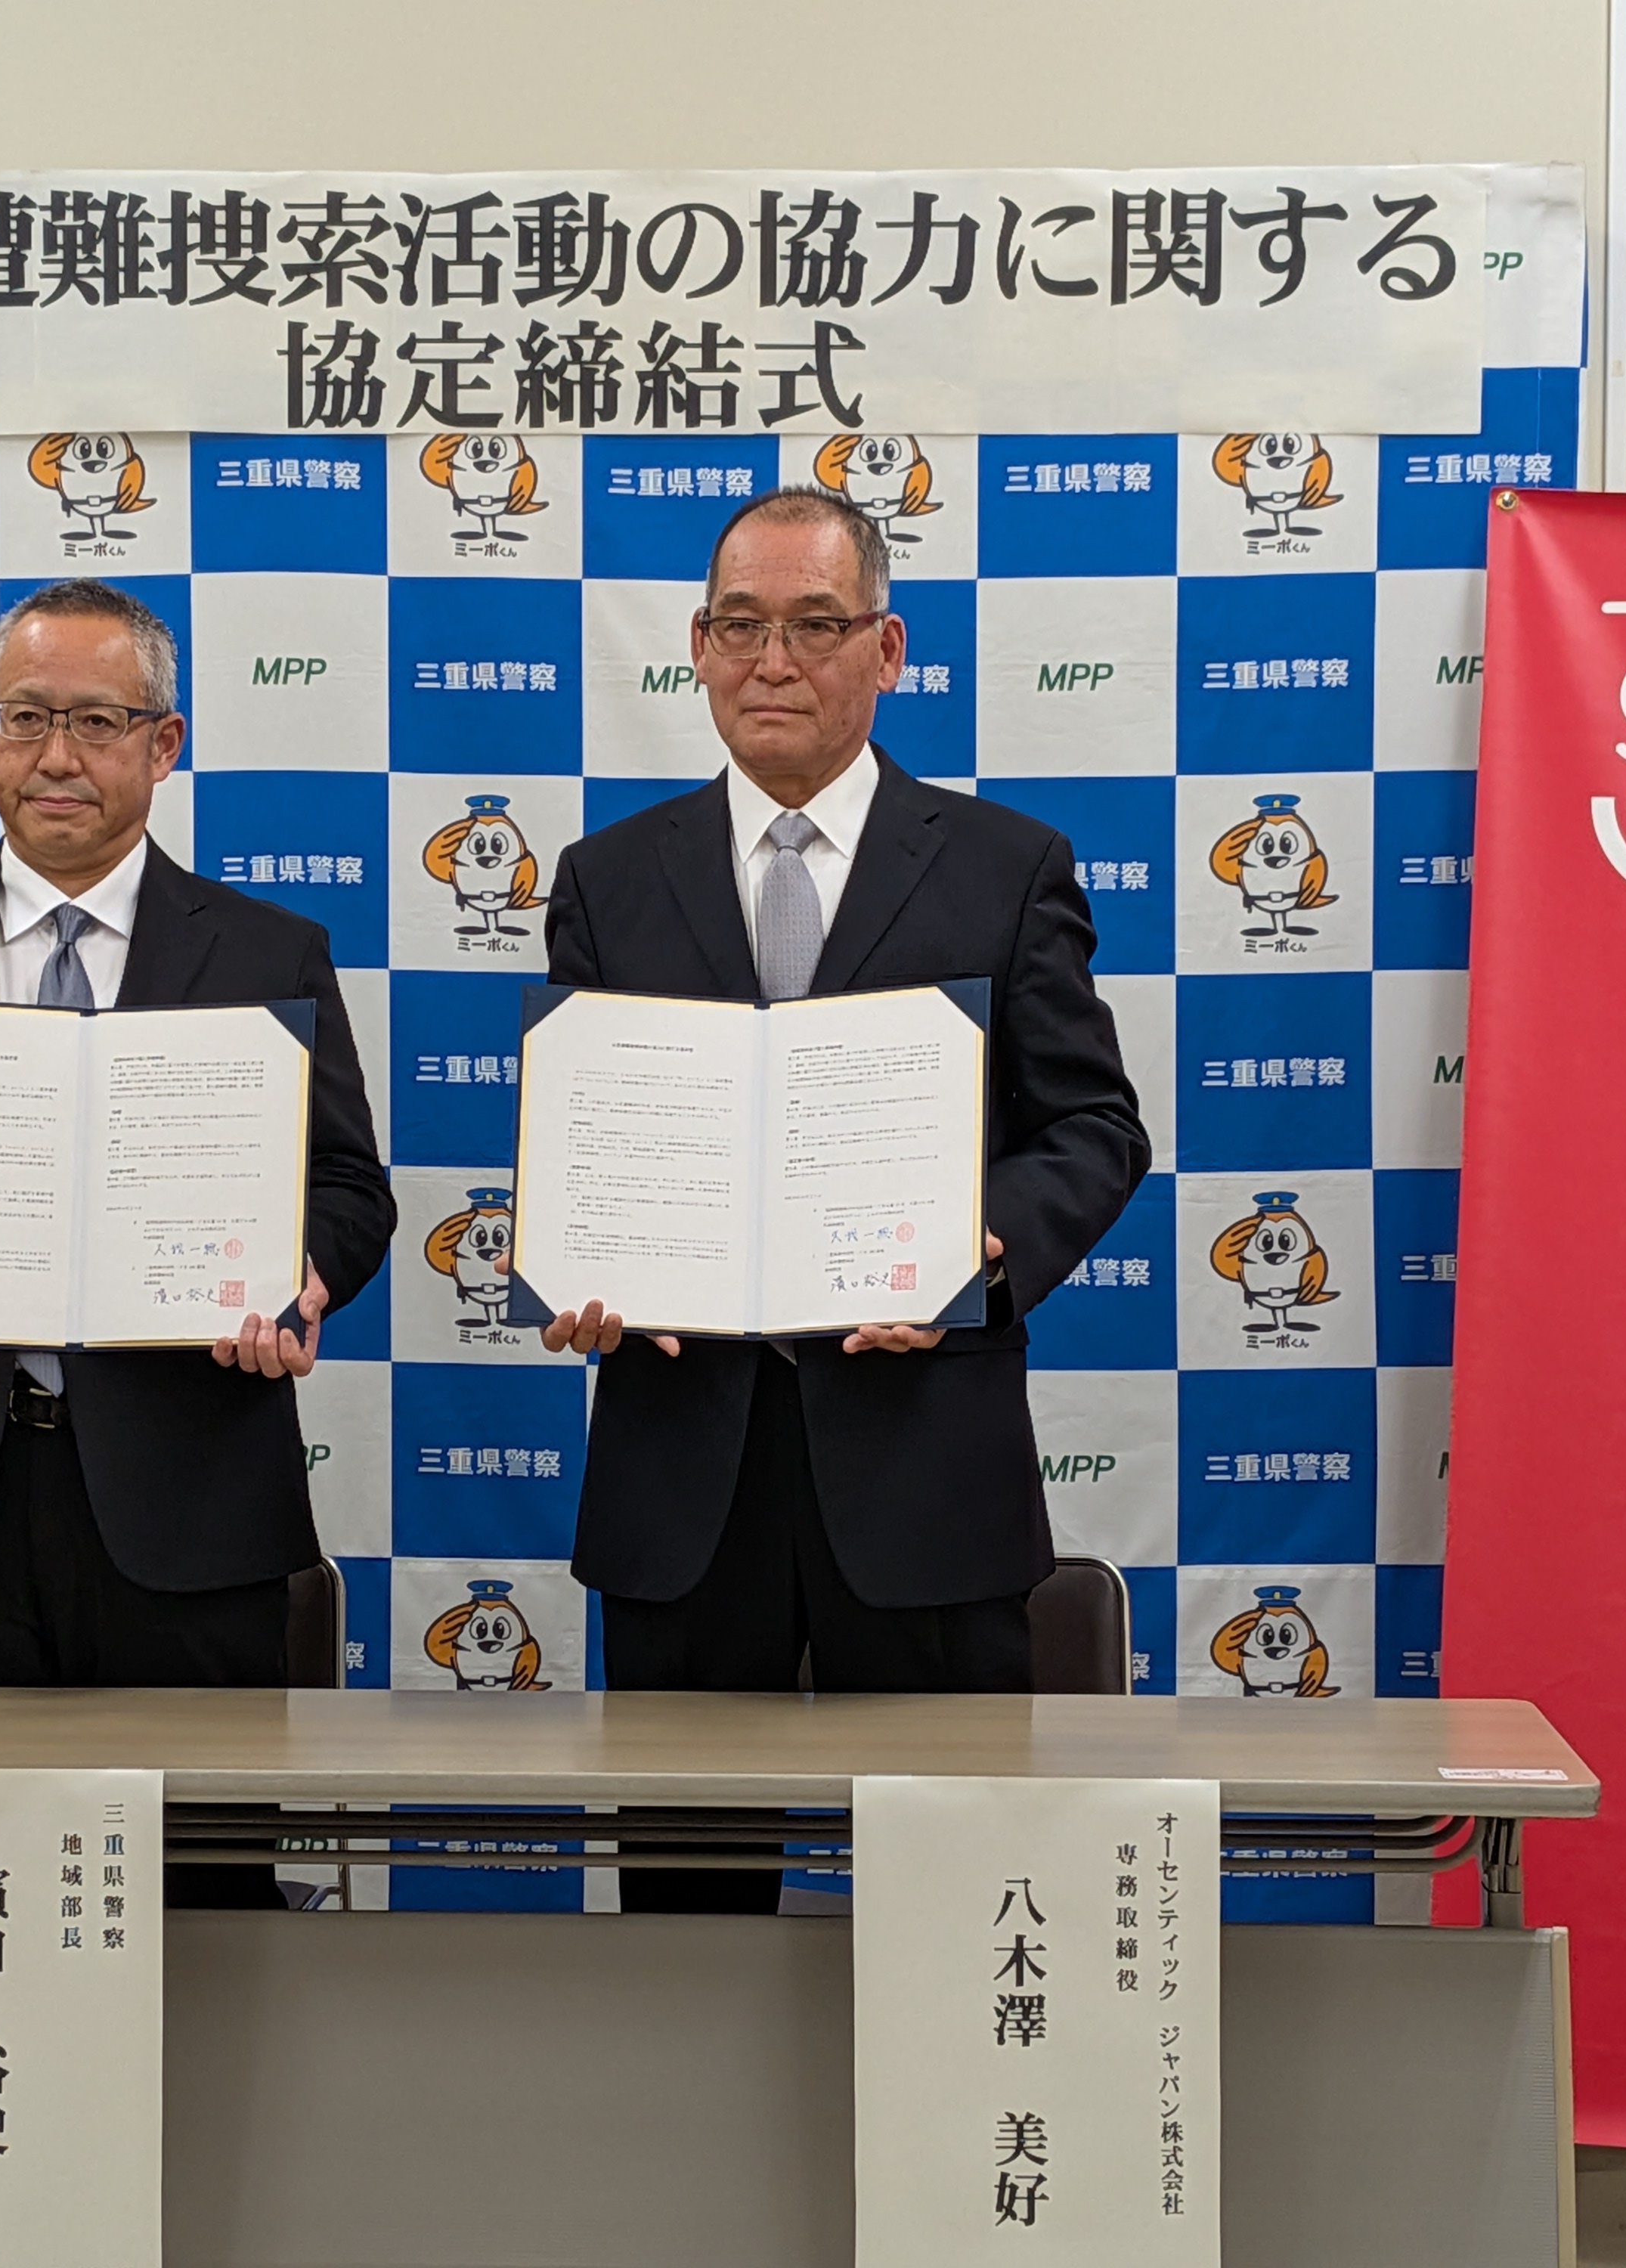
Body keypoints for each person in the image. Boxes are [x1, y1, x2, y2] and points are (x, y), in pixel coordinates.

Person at [540, 489, 1148, 1910]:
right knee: (690, 1914)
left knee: (967, 1907)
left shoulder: (1006, 868)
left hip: (925, 1474)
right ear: (696, 646)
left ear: (887, 649)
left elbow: (1094, 1129)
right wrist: (581, 1262)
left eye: (816, 626)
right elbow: (590, 1139)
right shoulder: (607, 881)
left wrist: (978, 1253)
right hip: (684, 1482)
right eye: (741, 626)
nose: (775, 662)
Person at [0, 578, 394, 1905]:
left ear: (165, 744)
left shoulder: (269, 953)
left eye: (99, 721)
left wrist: (304, 1281)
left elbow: (347, 1186)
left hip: (193, 1499)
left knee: (199, 1893)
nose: (58, 755)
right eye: (28, 717)